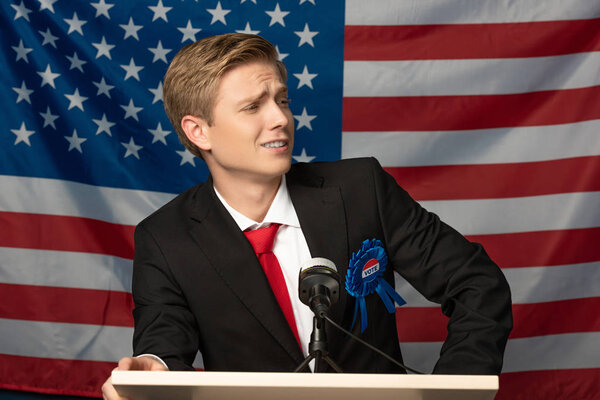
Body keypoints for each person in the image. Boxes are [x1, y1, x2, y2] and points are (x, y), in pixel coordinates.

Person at [102, 33, 512, 399]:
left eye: (281, 99)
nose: (280, 118)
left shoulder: (360, 189)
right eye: (252, 107)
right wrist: (153, 369)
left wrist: (455, 389)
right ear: (198, 132)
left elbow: (478, 283)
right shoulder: (165, 238)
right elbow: (163, 340)